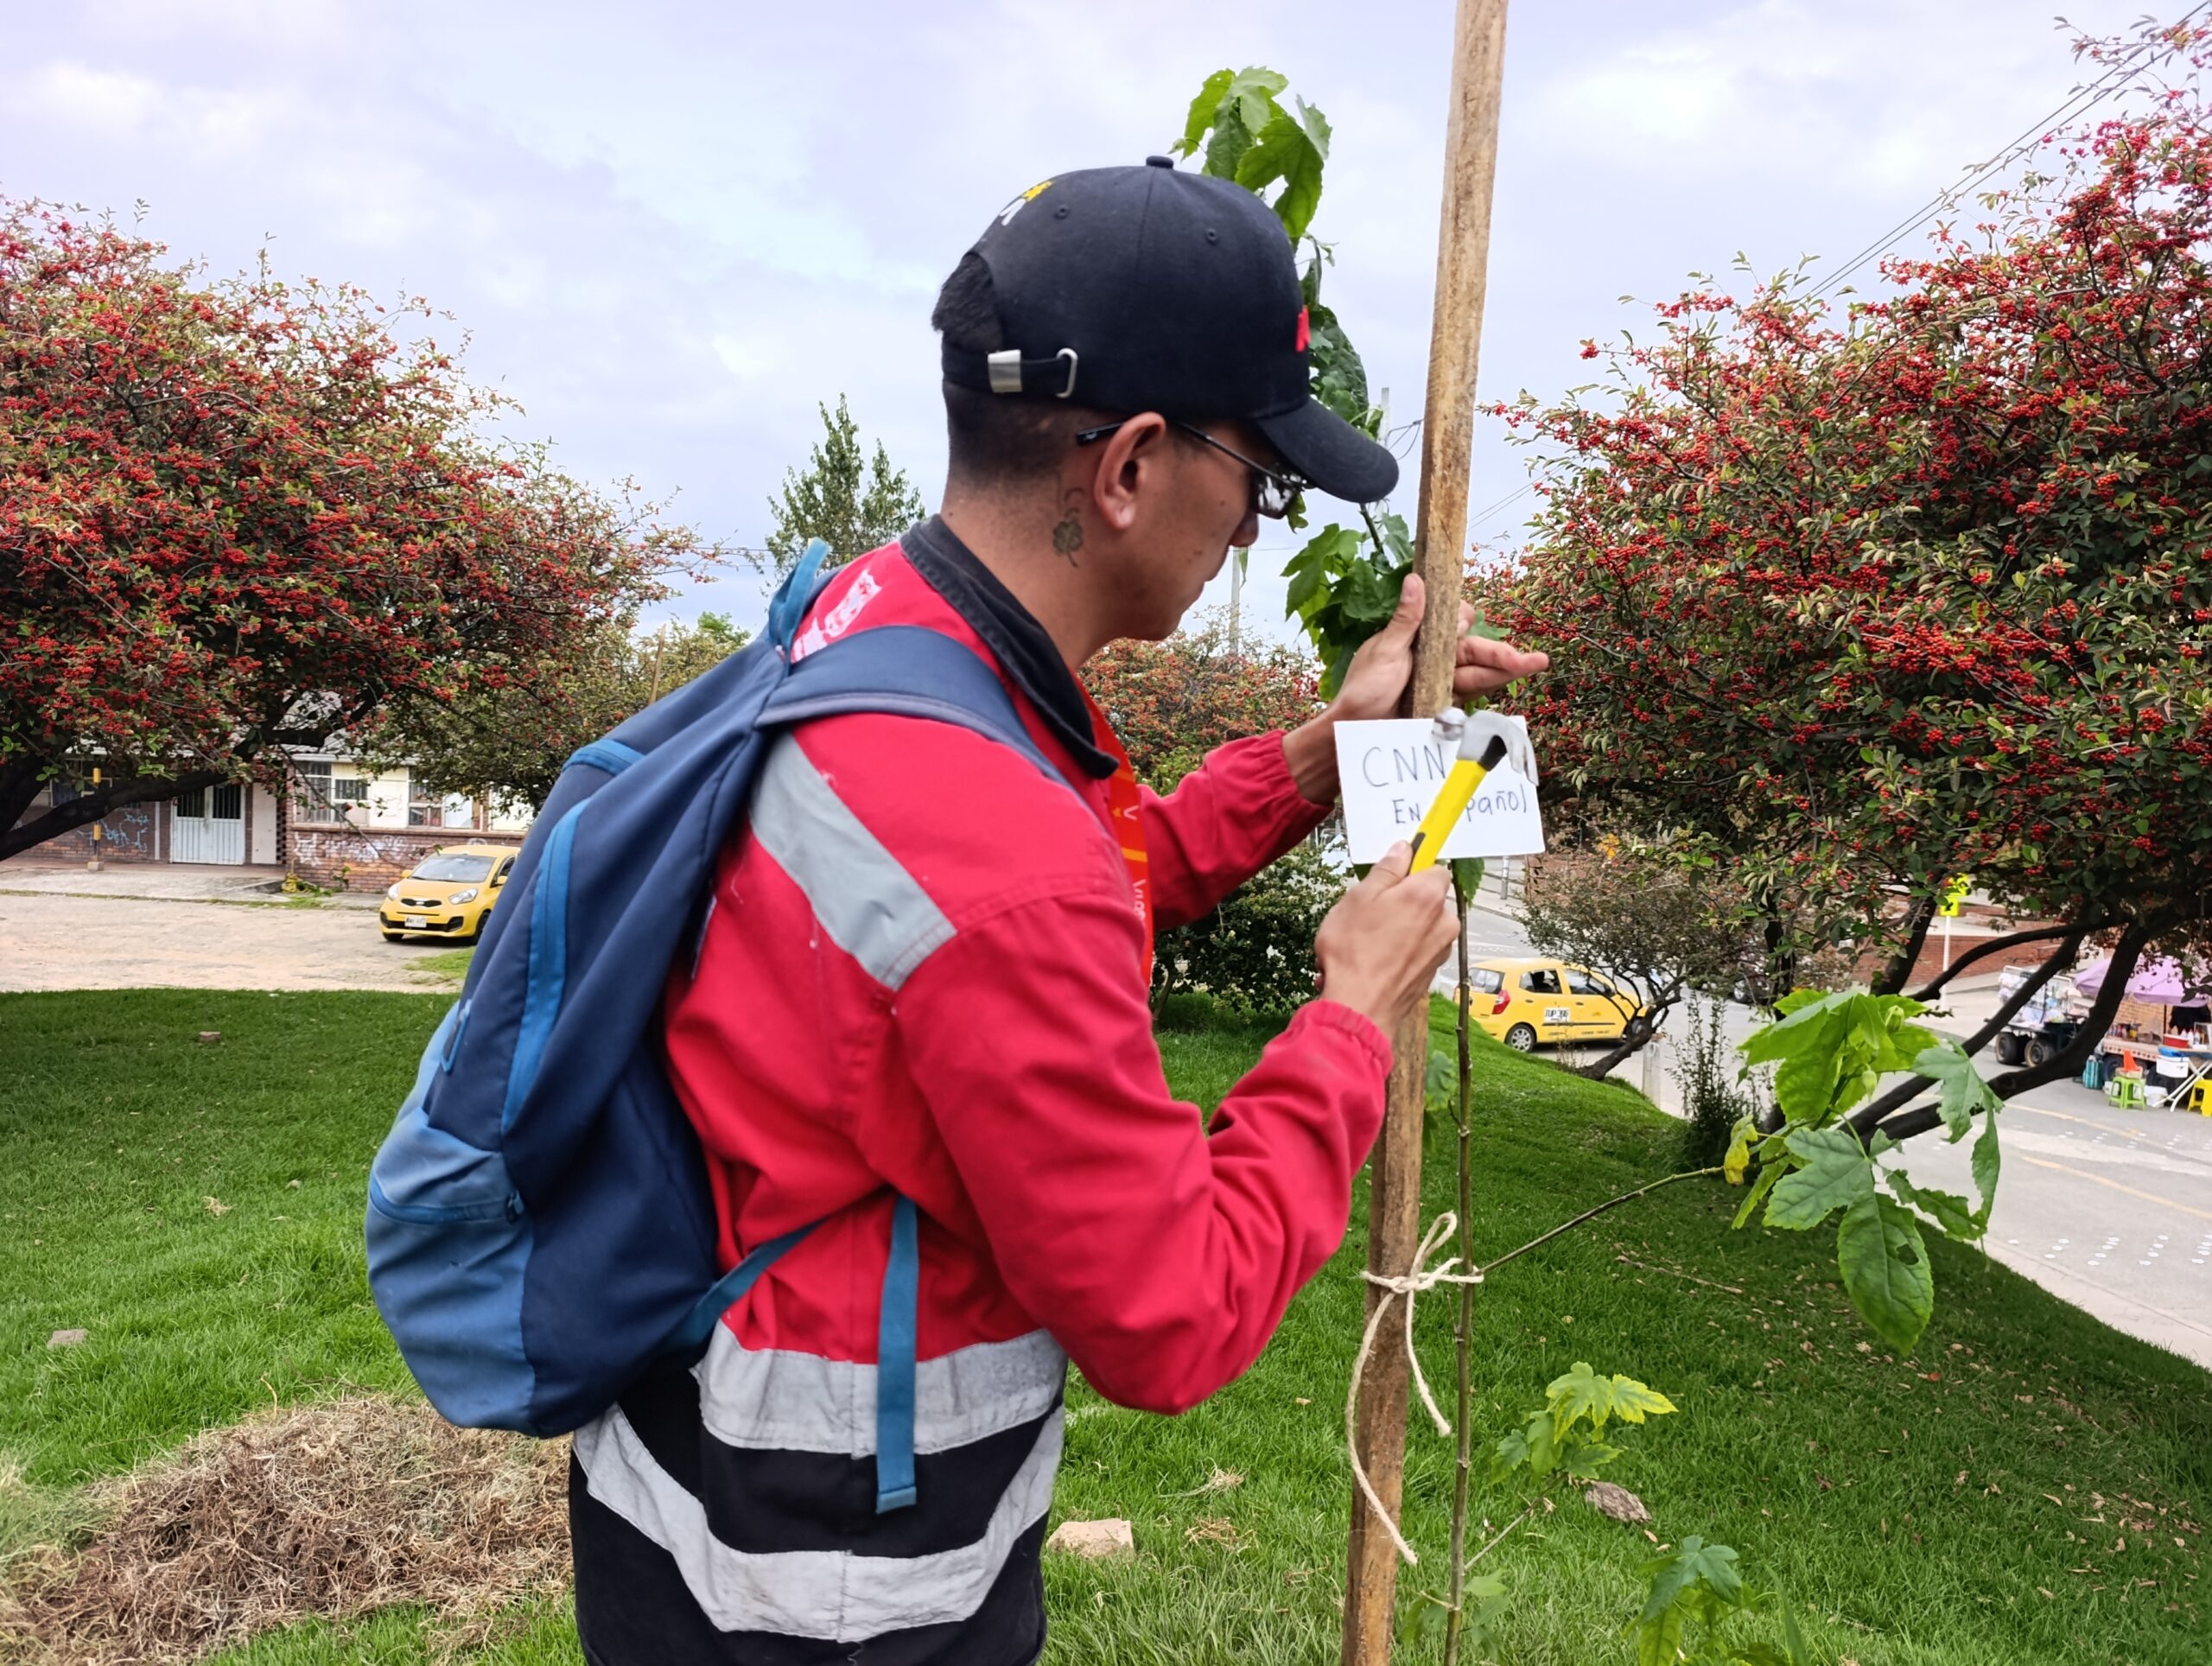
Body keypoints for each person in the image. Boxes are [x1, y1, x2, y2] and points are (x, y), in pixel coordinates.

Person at [567, 157, 1549, 1666]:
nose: (1252, 531)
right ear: (1135, 465)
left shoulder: (888, 629)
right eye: (1260, 479)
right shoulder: (994, 839)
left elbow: (1063, 888)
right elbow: (1169, 1313)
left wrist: (1313, 754)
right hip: (839, 1577)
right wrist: (1350, 1023)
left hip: (679, 1466)